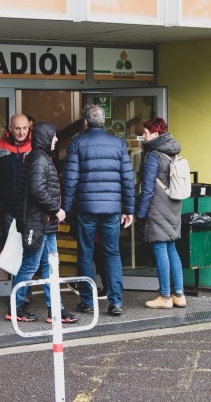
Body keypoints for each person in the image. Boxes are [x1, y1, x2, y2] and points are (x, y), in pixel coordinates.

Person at [62, 104, 135, 316]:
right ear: (103, 122)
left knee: (86, 254)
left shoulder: (77, 143)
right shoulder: (118, 144)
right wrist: (128, 209)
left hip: (86, 208)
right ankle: (116, 303)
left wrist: (65, 209)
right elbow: (128, 180)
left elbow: (70, 180)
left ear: (85, 122)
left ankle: (87, 302)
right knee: (112, 254)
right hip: (112, 209)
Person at [7, 122, 79, 324]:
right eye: (54, 137)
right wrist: (56, 210)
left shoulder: (40, 157)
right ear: (45, 138)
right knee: (31, 266)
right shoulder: (39, 158)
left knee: (50, 268)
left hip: (44, 224)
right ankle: (16, 307)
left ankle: (56, 309)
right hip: (38, 223)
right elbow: (38, 189)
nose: (56, 140)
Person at [135, 117, 186, 309]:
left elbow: (147, 189)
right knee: (171, 248)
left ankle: (165, 296)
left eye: (146, 133)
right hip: (173, 206)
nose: (144, 136)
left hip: (157, 207)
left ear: (156, 134)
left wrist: (140, 216)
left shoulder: (153, 155)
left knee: (159, 249)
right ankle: (179, 295)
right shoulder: (172, 151)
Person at [0, 114, 34, 302]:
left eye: (24, 128)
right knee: (13, 250)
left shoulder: (35, 145)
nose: (21, 132)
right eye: (17, 128)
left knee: (29, 250)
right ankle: (20, 294)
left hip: (31, 209)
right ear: (10, 129)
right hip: (8, 208)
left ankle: (24, 293)